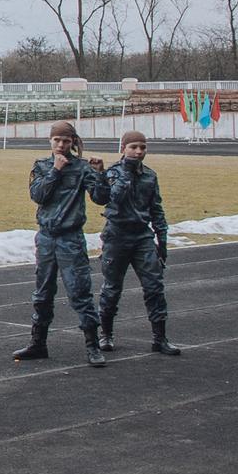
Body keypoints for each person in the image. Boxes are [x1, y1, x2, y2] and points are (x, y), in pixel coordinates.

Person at [11, 122, 110, 367]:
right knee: (42, 293)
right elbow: (38, 195)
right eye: (57, 140)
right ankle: (38, 343)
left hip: (70, 238)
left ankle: (92, 345)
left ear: (72, 142)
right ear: (50, 141)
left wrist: (100, 174)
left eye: (66, 141)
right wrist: (55, 170)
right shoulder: (42, 166)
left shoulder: (81, 168)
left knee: (80, 292)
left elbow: (101, 198)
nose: (61, 145)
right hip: (46, 237)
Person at [98, 130, 180, 357]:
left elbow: (156, 209)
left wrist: (162, 240)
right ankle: (105, 334)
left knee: (154, 287)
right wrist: (126, 171)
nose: (139, 151)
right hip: (117, 236)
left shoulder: (150, 176)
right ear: (123, 148)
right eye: (133, 147)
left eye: (143, 147)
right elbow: (113, 198)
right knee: (112, 289)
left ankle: (160, 338)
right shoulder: (113, 173)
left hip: (142, 237)